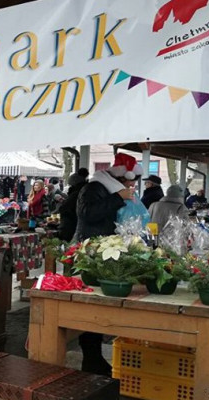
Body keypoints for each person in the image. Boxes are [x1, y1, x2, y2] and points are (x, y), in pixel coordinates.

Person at [74, 153, 137, 376]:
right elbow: (87, 214)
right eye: (128, 182)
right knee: (90, 306)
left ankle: (94, 358)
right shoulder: (93, 188)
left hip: (105, 250)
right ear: (119, 178)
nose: (130, 185)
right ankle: (91, 358)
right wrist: (118, 198)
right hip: (91, 252)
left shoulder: (107, 189)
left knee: (98, 306)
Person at [57, 168, 89, 242]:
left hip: (70, 225)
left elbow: (64, 208)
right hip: (76, 224)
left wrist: (61, 205)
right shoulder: (84, 190)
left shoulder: (76, 193)